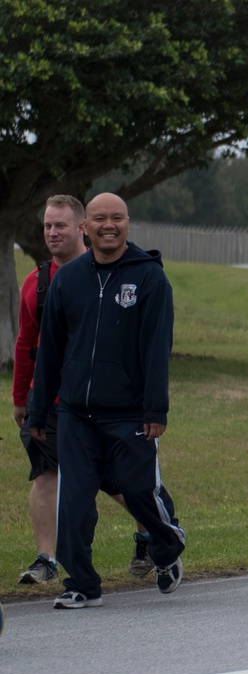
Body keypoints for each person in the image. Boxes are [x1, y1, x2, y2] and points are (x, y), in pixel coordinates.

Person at [28, 193, 186, 609]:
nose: (108, 225)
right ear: (87, 226)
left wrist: (156, 409)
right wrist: (39, 409)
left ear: (128, 223)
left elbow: (156, 348)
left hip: (130, 411)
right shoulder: (69, 278)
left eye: (117, 218)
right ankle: (82, 584)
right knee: (74, 500)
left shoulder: (149, 277)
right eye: (100, 218)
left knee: (137, 490)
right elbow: (50, 351)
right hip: (76, 413)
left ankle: (167, 545)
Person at [12, 196, 153, 585]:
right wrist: (22, 398)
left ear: (82, 229)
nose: (52, 233)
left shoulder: (109, 275)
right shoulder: (36, 283)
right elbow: (28, 343)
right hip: (53, 402)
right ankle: (47, 559)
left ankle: (152, 535)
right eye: (47, 226)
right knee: (45, 474)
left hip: (105, 402)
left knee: (118, 481)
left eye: (60, 226)